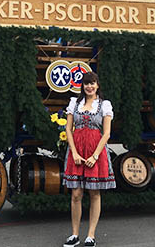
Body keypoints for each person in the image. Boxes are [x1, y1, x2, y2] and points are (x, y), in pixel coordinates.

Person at [63, 72, 115, 247]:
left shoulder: (104, 105)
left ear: (97, 85)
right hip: (76, 150)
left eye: (92, 83)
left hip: (96, 151)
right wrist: (75, 152)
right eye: (86, 84)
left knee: (94, 193)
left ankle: (91, 235)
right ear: (82, 86)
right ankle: (75, 234)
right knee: (76, 194)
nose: (89, 87)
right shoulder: (74, 103)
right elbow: (69, 129)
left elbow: (106, 133)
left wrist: (95, 156)